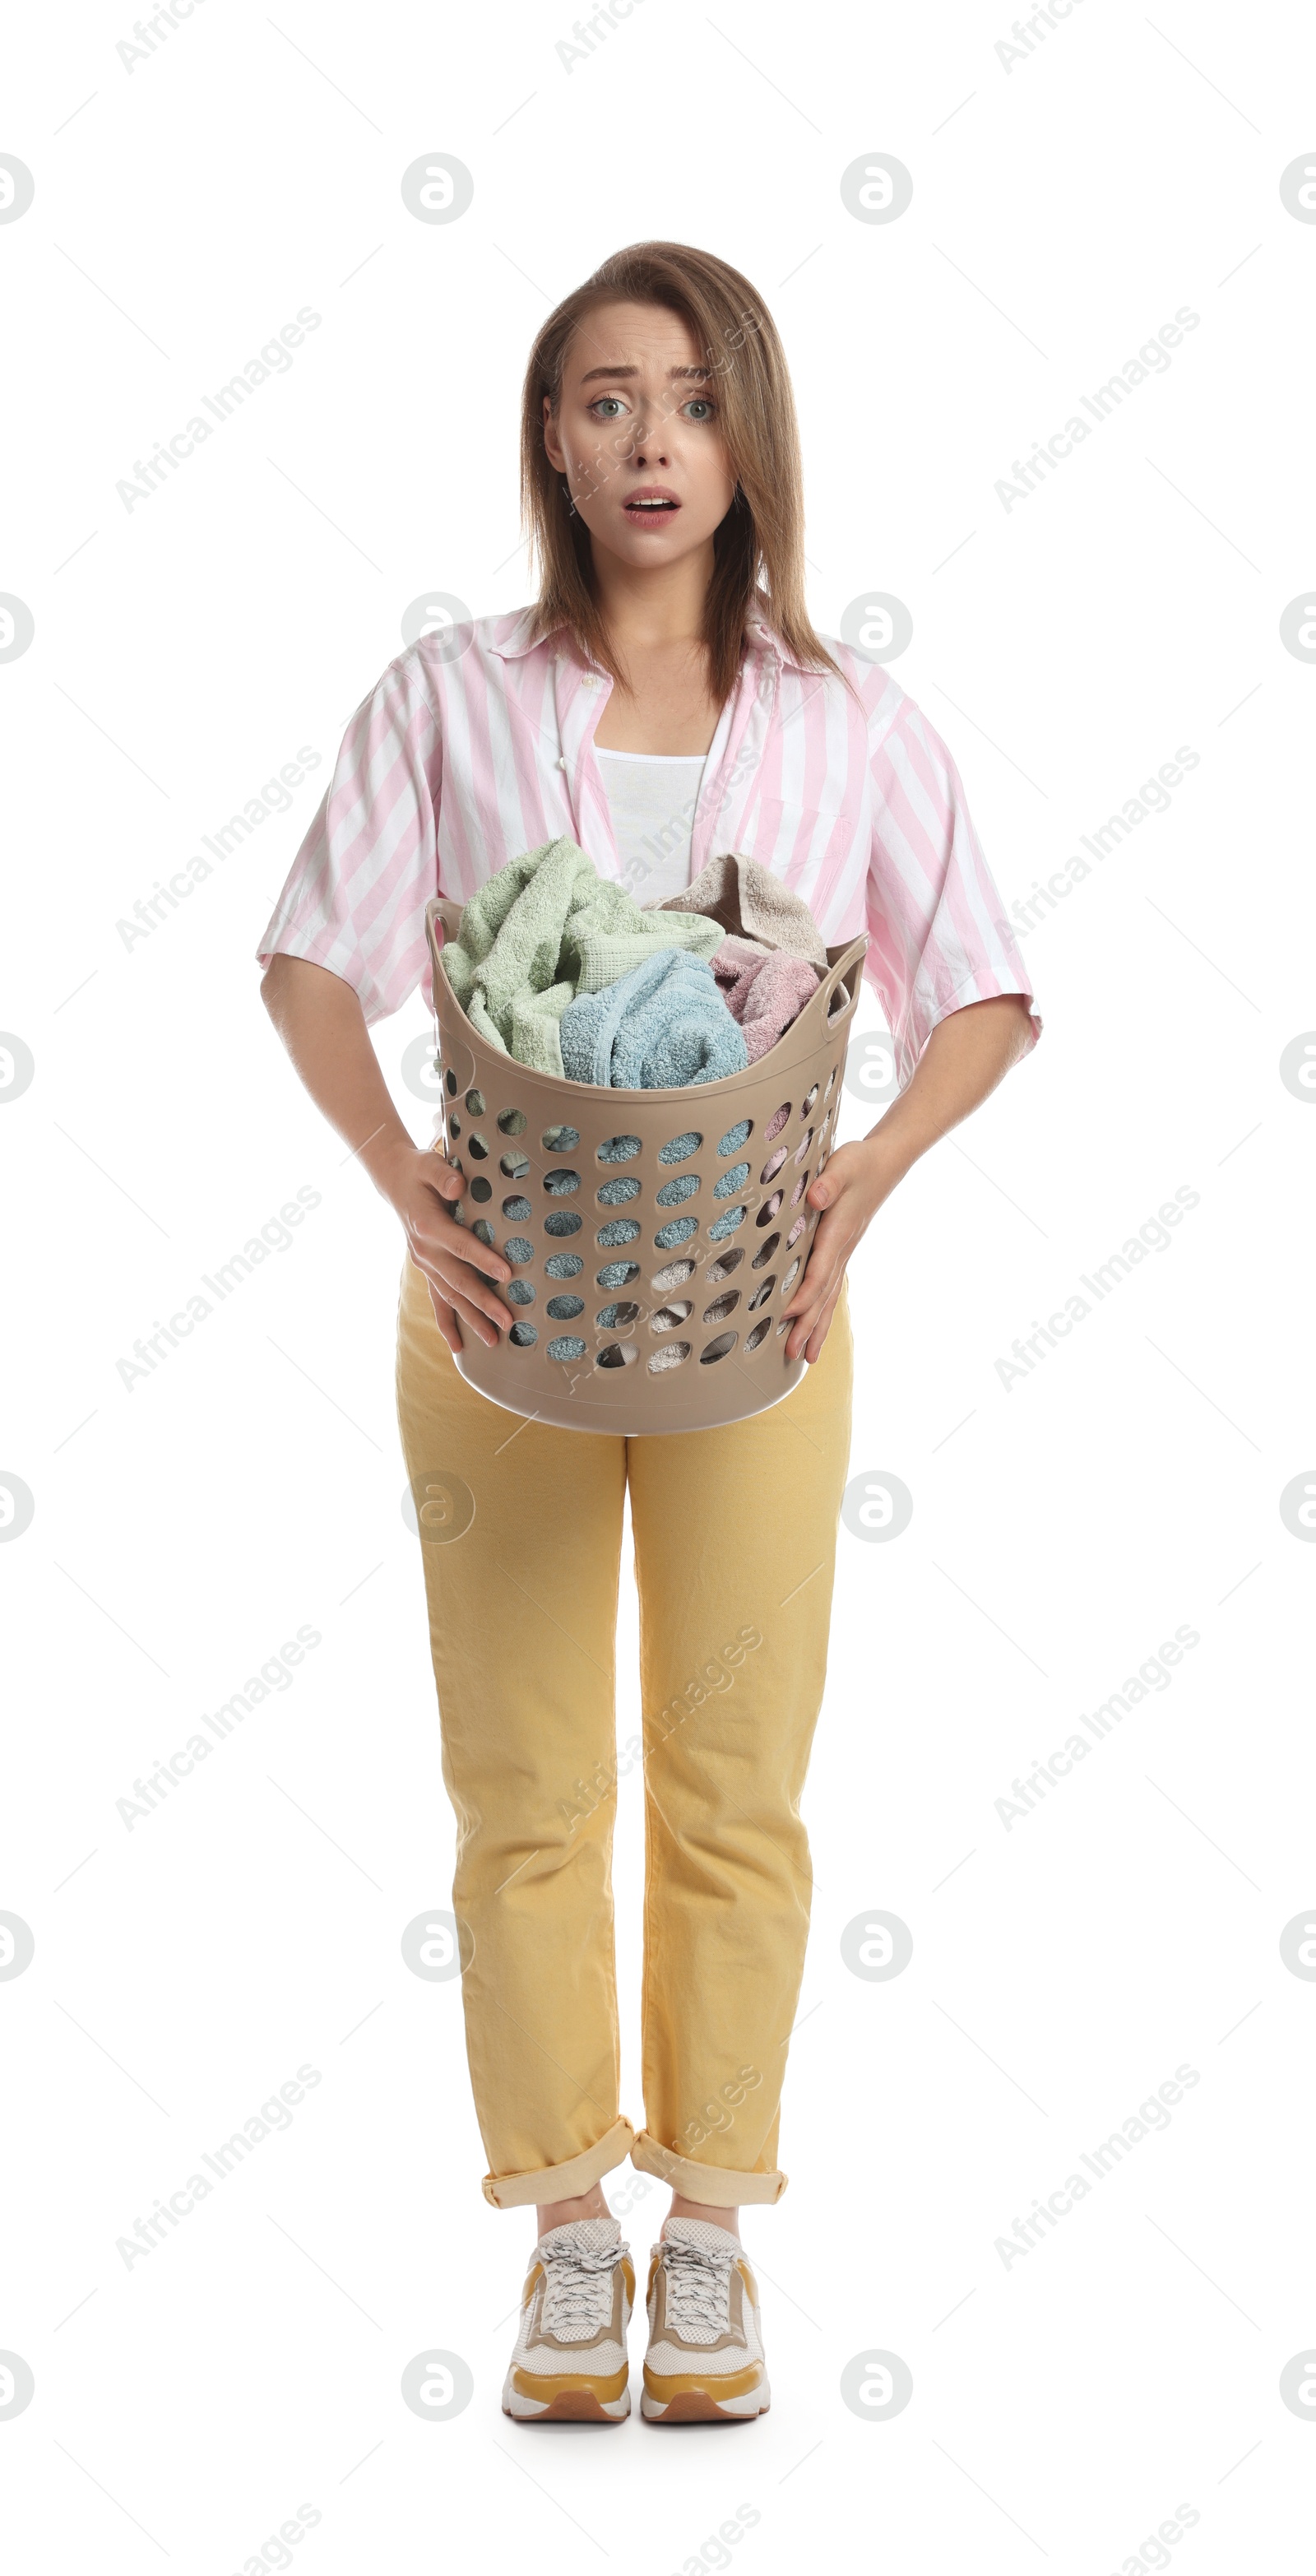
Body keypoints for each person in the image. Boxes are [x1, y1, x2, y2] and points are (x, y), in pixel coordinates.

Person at [257, 239, 1040, 2425]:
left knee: (733, 1776)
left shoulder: (849, 720)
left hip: (753, 1328)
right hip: (498, 1316)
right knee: (521, 1780)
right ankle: (562, 2229)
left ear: (749, 435)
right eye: (604, 399)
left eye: (690, 400)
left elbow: (980, 981)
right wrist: (401, 1183)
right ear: (550, 437)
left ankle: (707, 2226)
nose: (649, 444)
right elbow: (311, 963)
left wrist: (866, 1177)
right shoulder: (447, 698)